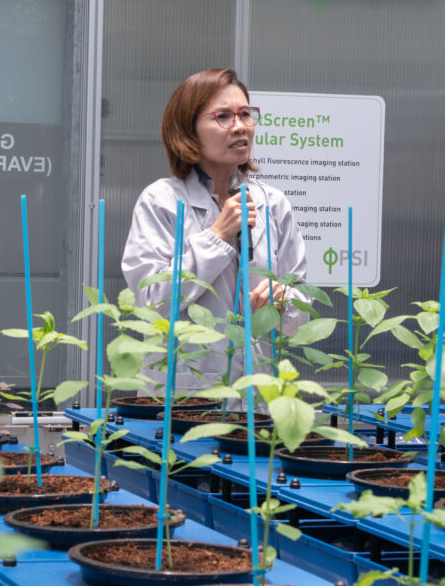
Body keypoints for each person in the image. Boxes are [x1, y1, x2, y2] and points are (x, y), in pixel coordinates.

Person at [121, 68, 309, 392]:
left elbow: (300, 317)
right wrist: (217, 236)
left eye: (245, 114)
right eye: (223, 116)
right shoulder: (161, 201)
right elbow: (150, 304)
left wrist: (284, 301)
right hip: (184, 397)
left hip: (257, 394)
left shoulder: (273, 203)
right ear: (188, 130)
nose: (240, 126)